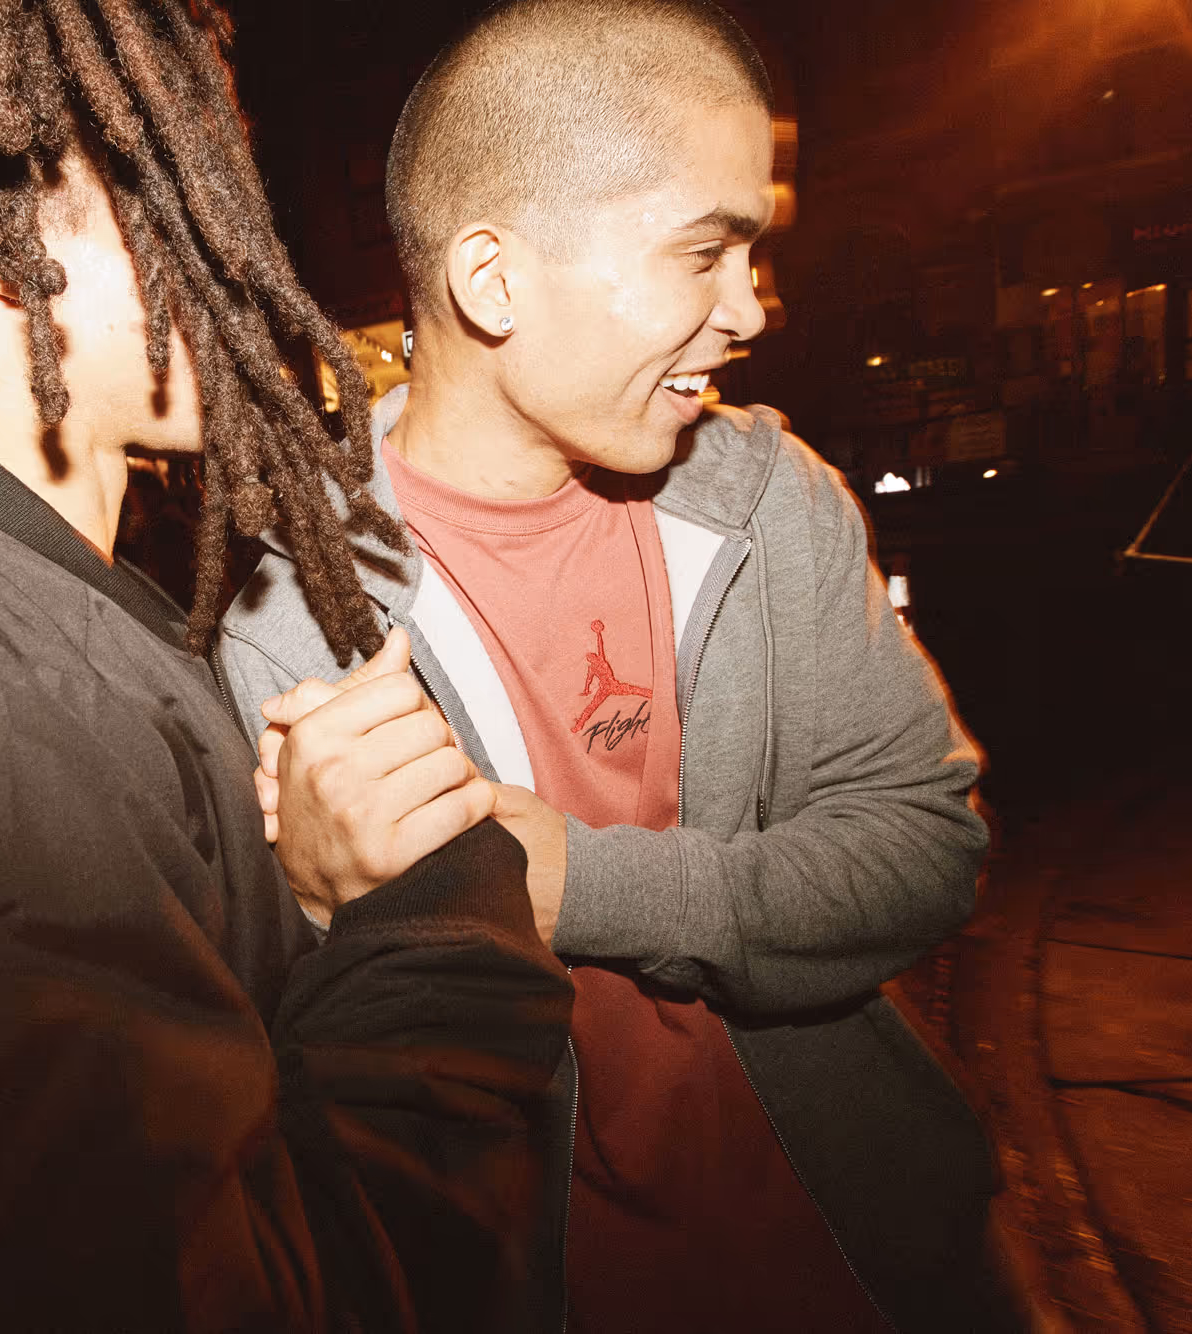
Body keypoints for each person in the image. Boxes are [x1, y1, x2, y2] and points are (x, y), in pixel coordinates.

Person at [0, 1, 574, 1329]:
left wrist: (310, 897)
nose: (243, 255)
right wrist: (433, 920)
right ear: (3, 254)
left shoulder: (33, 612)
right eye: (178, 200)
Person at [220, 2, 1015, 1329]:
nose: (751, 309)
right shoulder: (291, 624)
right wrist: (324, 912)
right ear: (494, 282)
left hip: (874, 1254)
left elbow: (931, 848)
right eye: (704, 253)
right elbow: (295, 1083)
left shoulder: (765, 496)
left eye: (752, 254)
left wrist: (588, 883)